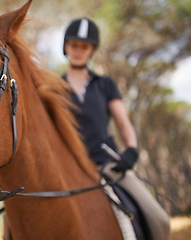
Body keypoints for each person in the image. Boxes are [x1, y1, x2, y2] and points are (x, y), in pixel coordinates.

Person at [62, 18, 170, 240]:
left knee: (160, 221)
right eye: (74, 45)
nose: (79, 51)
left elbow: (122, 122)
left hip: (108, 164)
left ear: (92, 49)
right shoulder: (54, 88)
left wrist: (131, 149)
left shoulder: (105, 84)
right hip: (68, 169)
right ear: (66, 46)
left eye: (84, 46)